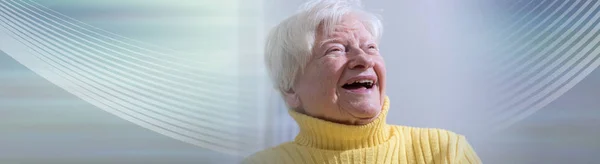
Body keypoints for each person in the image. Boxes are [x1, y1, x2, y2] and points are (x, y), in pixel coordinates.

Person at [244, 0, 481, 163]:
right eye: (335, 50)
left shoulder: (444, 152)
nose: (364, 59)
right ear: (289, 87)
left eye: (371, 47)